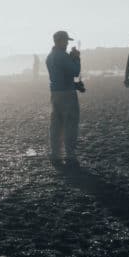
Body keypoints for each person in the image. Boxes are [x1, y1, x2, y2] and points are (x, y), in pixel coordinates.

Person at [46, 30, 81, 166]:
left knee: (56, 124)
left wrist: (75, 84)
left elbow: (61, 75)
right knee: (70, 123)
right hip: (67, 93)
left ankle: (55, 153)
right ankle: (70, 154)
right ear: (60, 41)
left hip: (55, 93)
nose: (67, 43)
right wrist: (76, 58)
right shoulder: (62, 55)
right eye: (66, 41)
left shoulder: (50, 56)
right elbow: (75, 71)